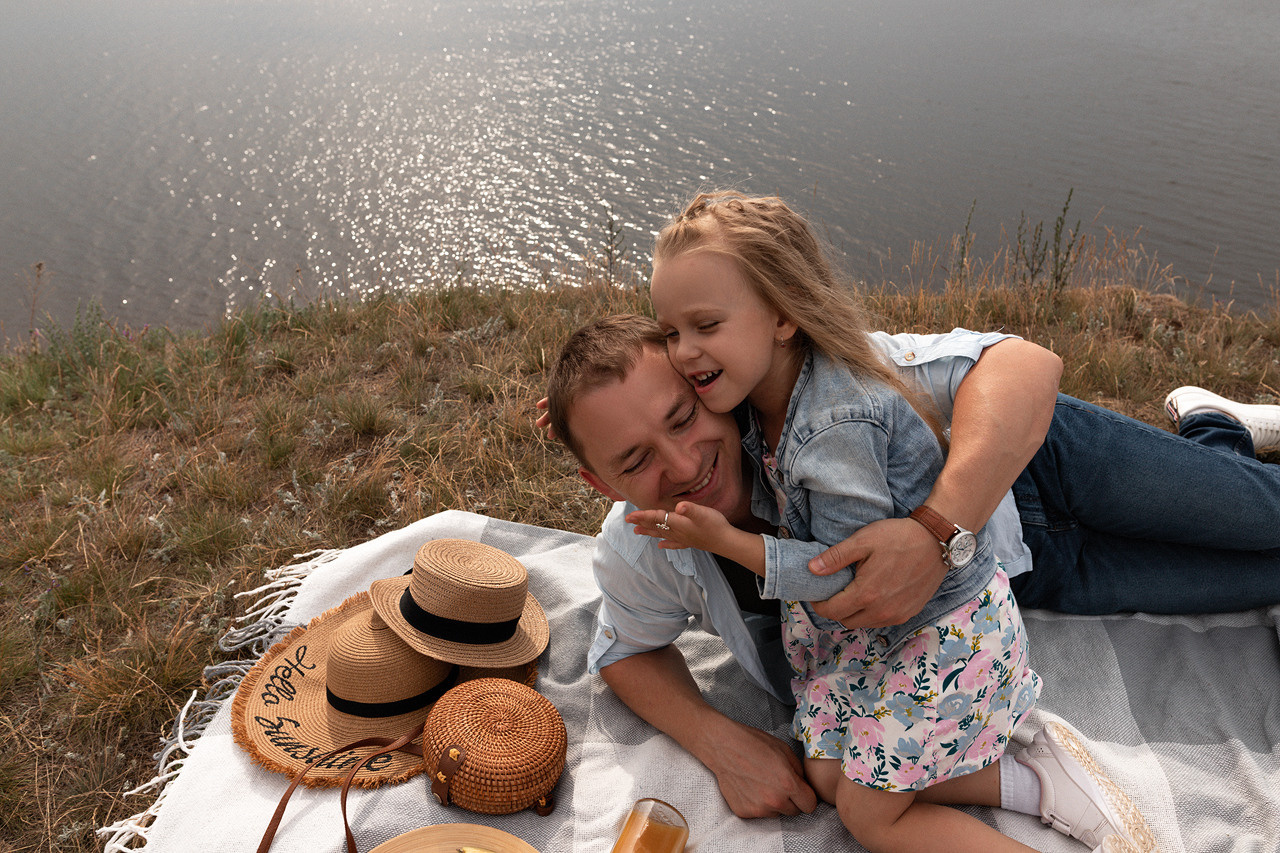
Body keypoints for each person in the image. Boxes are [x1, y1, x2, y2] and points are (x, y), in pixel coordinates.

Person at [614, 190, 1154, 853]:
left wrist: (725, 541)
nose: (684, 352)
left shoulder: (832, 428)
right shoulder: (758, 397)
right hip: (882, 639)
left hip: (940, 633)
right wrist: (583, 407)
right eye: (671, 332)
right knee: (823, 766)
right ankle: (1027, 779)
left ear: (783, 314)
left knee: (870, 816)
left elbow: (844, 582)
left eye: (704, 325)